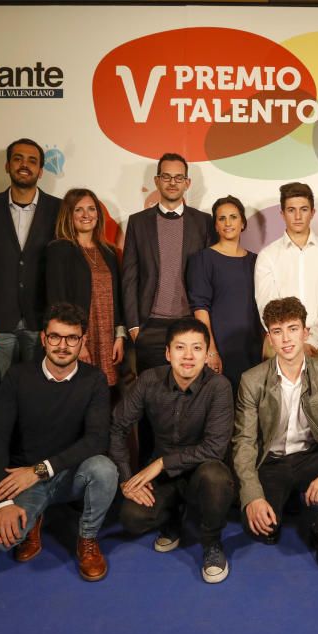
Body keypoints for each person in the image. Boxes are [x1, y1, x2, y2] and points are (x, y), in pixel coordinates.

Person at [0, 303, 118, 582]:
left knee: (104, 469)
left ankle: (88, 539)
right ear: (43, 338)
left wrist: (40, 470)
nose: (63, 346)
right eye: (55, 337)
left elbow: (96, 440)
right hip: (25, 477)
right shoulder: (18, 376)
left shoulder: (94, 380)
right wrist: (3, 502)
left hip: (69, 474)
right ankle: (35, 517)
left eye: (72, 338)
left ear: (82, 342)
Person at [233, 297, 318, 570]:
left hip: (310, 456)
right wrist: (253, 496)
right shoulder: (252, 380)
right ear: (269, 338)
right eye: (277, 331)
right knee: (262, 529)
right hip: (272, 461)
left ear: (306, 332)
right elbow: (244, 443)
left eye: (293, 329)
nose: (286, 339)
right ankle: (290, 501)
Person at [109, 317, 235, 583]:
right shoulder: (148, 380)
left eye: (197, 348)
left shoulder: (218, 387)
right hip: (164, 475)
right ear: (168, 353)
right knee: (131, 517)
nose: (188, 356)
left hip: (201, 471)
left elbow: (214, 447)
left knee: (217, 478)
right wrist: (126, 479)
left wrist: (162, 463)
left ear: (206, 352)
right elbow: (117, 427)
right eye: (180, 348)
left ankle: (212, 542)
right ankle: (172, 518)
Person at [121, 153, 214, 466]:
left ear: (187, 183)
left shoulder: (204, 222)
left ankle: (188, 471)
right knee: (151, 406)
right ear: (157, 181)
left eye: (179, 177)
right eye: (166, 176)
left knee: (192, 405)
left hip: (189, 327)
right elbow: (129, 275)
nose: (172, 182)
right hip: (151, 327)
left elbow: (209, 274)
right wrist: (134, 326)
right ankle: (149, 470)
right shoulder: (137, 222)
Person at [0, 138, 62, 376]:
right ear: (7, 166)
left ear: (41, 171)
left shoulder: (59, 209)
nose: (24, 165)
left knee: (37, 392)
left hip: (41, 321)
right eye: (18, 158)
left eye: (32, 161)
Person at [254, 182, 318, 363]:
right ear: (282, 214)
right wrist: (289, 340)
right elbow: (267, 306)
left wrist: (311, 341)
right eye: (291, 210)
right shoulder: (268, 256)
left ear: (312, 212)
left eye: (303, 209)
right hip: (280, 344)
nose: (297, 216)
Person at [46, 188, 125, 392]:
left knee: (106, 395)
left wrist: (119, 336)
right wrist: (76, 341)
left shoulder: (108, 252)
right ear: (68, 215)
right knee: (78, 391)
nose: (86, 215)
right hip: (79, 339)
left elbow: (118, 298)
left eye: (91, 209)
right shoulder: (59, 249)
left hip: (108, 339)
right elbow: (58, 302)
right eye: (78, 210)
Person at [186, 195, 262, 391]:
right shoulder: (203, 259)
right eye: (222, 218)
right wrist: (210, 350)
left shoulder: (257, 261)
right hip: (220, 346)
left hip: (252, 346)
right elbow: (200, 308)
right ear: (216, 225)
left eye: (233, 217)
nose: (228, 223)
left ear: (243, 223)